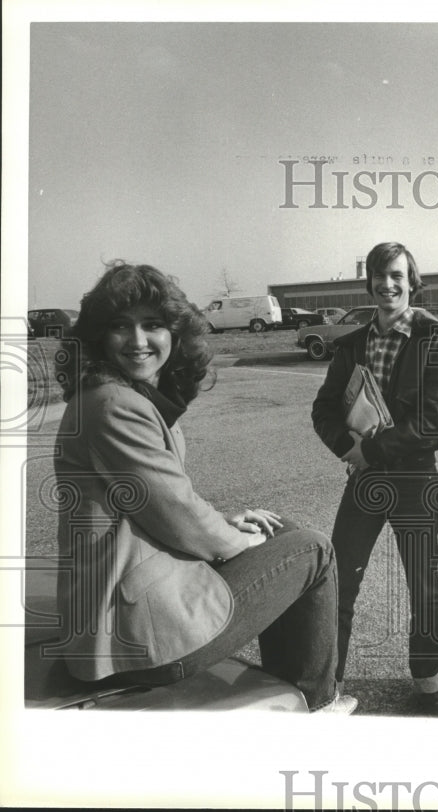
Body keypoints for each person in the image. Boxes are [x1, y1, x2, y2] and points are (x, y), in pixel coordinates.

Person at [53, 260, 355, 713]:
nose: (138, 341)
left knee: (281, 530)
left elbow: (156, 502)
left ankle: (285, 689)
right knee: (312, 550)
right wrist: (234, 540)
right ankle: (317, 704)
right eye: (121, 326)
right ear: (99, 336)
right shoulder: (112, 404)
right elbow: (176, 514)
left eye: (152, 325)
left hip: (124, 608)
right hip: (136, 636)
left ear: (174, 333)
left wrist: (229, 524)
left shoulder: (114, 396)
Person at [311, 241, 438, 716]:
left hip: (415, 480)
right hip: (364, 482)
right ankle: (325, 688)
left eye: (396, 275)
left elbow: (434, 422)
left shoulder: (435, 340)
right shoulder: (352, 343)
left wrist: (367, 450)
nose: (387, 284)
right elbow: (323, 408)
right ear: (369, 282)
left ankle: (430, 685)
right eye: (379, 275)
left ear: (412, 280)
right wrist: (348, 449)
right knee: (338, 582)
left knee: (423, 584)